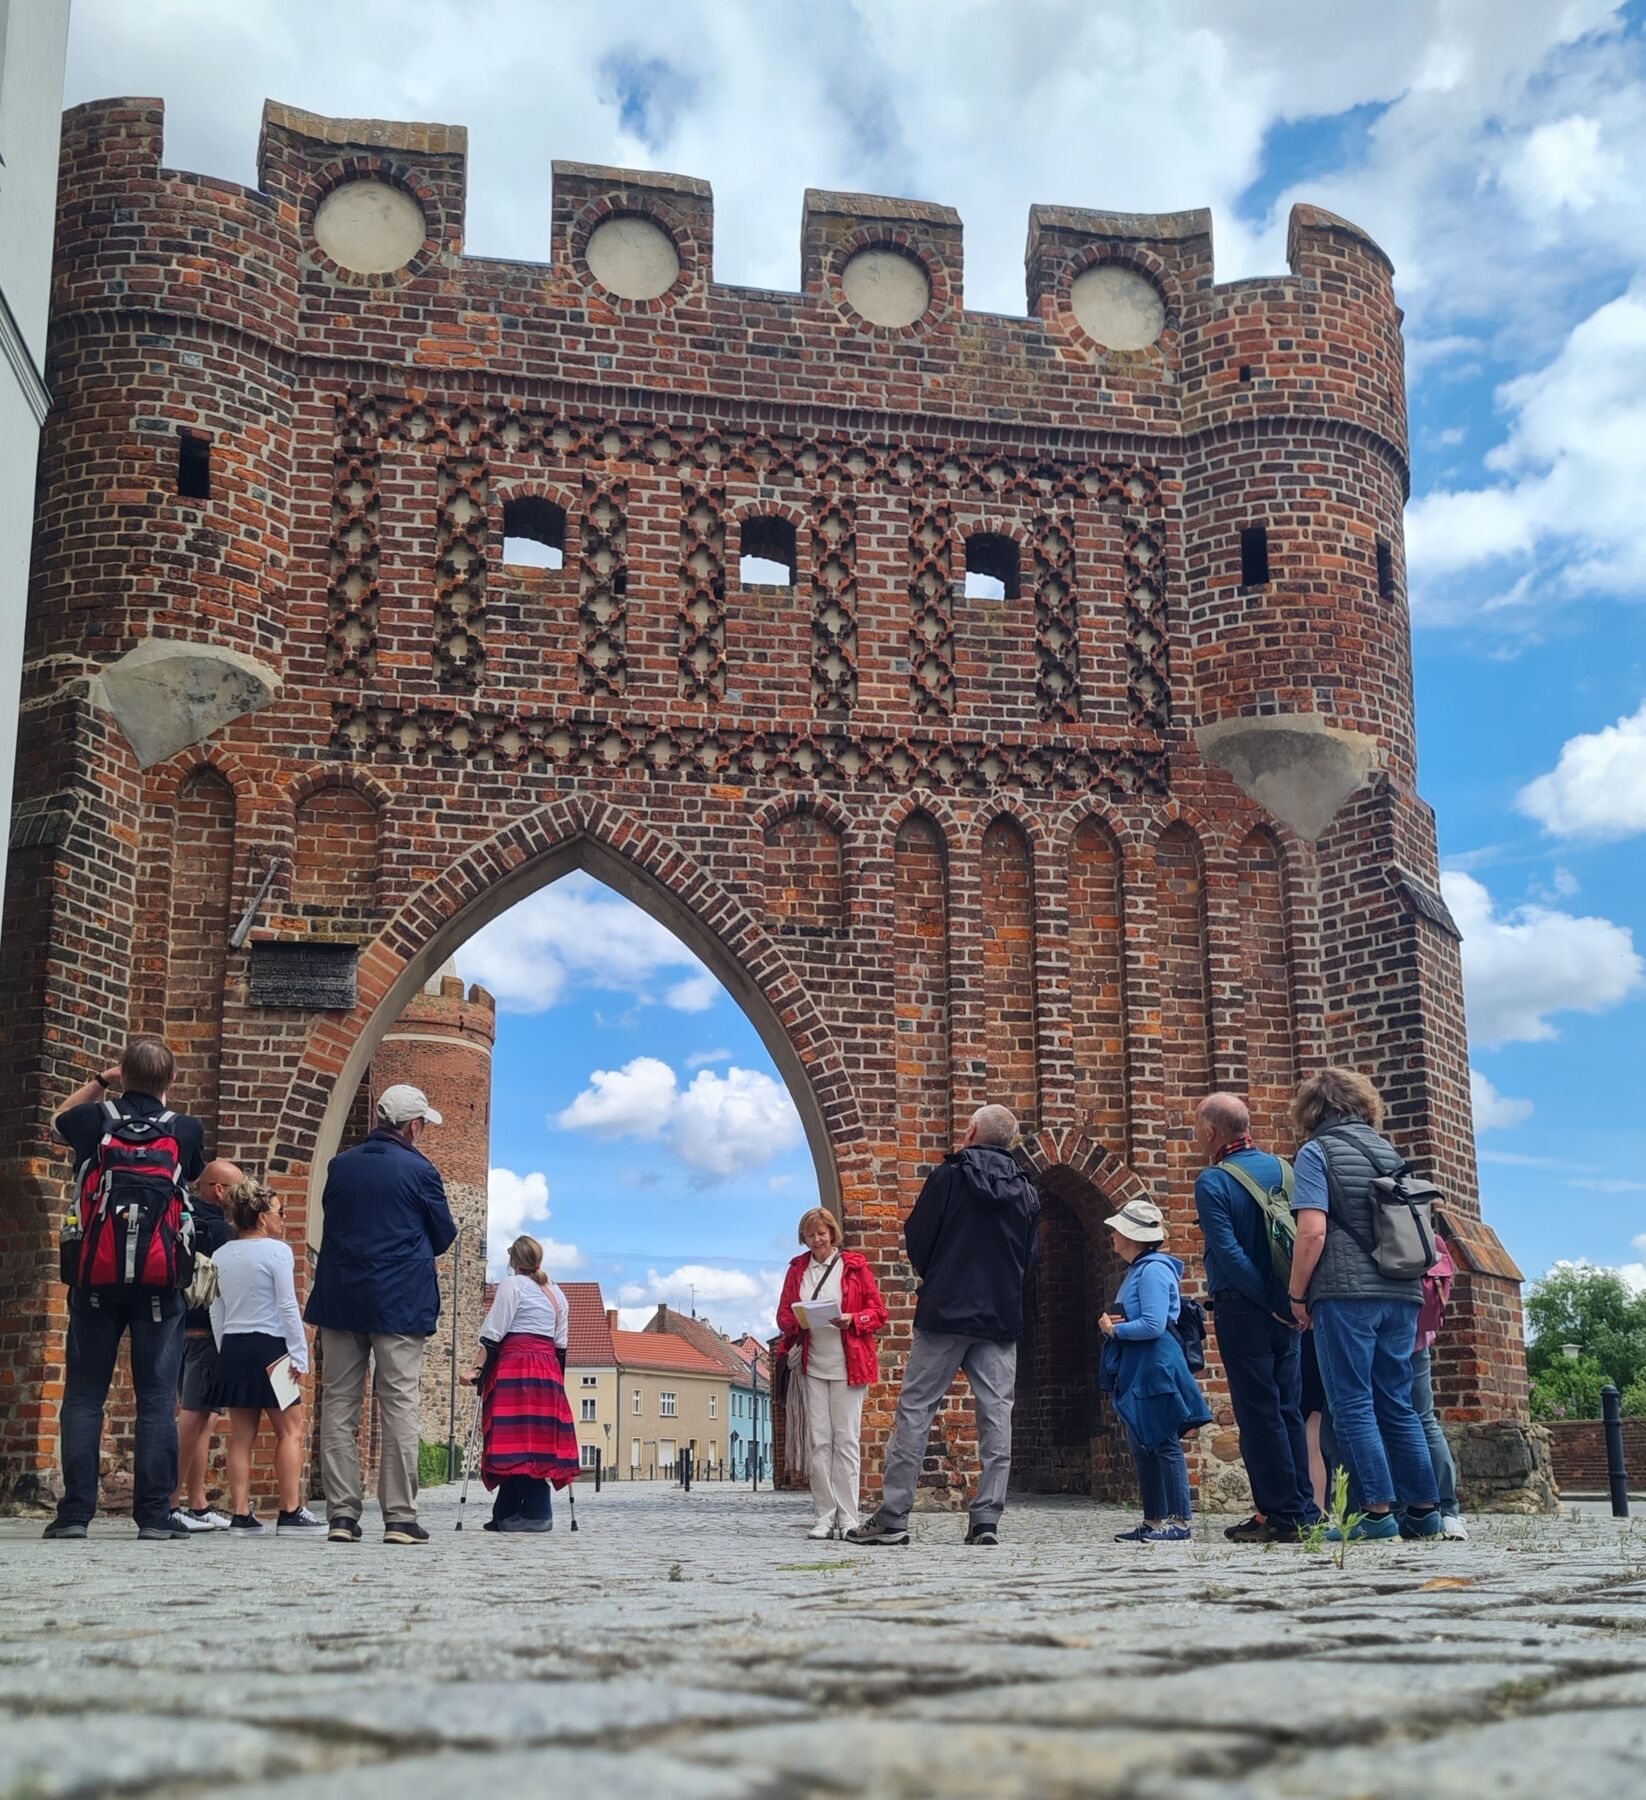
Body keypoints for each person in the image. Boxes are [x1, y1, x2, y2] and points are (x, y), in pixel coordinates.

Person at [848, 1104, 1039, 1548]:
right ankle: (986, 1519)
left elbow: (918, 1237)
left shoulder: (948, 1177)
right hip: (999, 1318)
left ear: (971, 1131)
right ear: (1009, 1141)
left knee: (916, 1410)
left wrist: (938, 1279)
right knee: (997, 1416)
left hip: (945, 1312)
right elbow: (1030, 1259)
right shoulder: (1027, 1191)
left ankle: (893, 1517)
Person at [44, 1039, 206, 1541]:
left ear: (125, 1075)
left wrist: (100, 1081)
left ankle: (74, 1515)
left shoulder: (95, 1123)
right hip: (160, 1284)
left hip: (95, 1278)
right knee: (158, 1399)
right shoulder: (185, 1129)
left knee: (85, 1396)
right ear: (171, 1081)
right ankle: (154, 1518)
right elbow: (190, 1178)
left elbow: (57, 1120)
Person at [1286, 1068, 1442, 1541]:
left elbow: (1312, 1231)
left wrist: (1296, 1294)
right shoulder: (1386, 1151)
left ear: (1312, 1110)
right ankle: (1424, 1510)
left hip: (1345, 1294)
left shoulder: (1316, 1152)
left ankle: (1376, 1515)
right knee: (1397, 1402)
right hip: (1401, 1290)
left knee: (1352, 1402)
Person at [306, 1083, 457, 1546]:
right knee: (399, 1406)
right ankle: (398, 1517)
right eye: (423, 1126)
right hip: (399, 1303)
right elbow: (444, 1235)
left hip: (342, 1297)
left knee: (338, 1406)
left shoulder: (341, 1166)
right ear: (413, 1126)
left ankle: (342, 1516)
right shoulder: (420, 1170)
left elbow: (333, 1220)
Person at [1192, 1094, 1320, 1543]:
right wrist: (1293, 1301)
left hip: (1245, 1307)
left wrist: (1267, 1301)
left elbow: (1228, 1251)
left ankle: (1281, 1515)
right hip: (1292, 1306)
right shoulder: (1287, 1169)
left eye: (1197, 1127)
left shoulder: (1213, 1181)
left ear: (1211, 1131)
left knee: (1258, 1411)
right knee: (1289, 1408)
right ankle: (1302, 1506)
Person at [208, 1180, 322, 1532]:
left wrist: (223, 1347)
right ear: (261, 1218)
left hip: (234, 1346)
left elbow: (216, 1308)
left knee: (241, 1435)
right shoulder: (278, 1252)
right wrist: (299, 1355)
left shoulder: (220, 1254)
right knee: (290, 1430)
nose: (283, 1218)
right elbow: (288, 1305)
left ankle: (241, 1514)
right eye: (279, 1212)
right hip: (271, 1348)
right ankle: (290, 1510)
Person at [1100, 1199, 1212, 1543]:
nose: (1113, 1237)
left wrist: (1114, 1330)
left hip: (1155, 1364)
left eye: (1117, 1231)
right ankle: (1153, 1520)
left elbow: (1153, 1324)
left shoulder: (1153, 1270)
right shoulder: (1138, 1270)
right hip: (1141, 1364)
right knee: (1142, 1442)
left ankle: (1179, 1522)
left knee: (1162, 1440)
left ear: (1132, 1236)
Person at [776, 1206, 889, 1539]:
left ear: (832, 1233)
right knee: (819, 1442)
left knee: (847, 1441)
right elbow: (783, 1316)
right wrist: (801, 1317)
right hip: (814, 1365)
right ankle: (824, 1515)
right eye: (810, 1235)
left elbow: (878, 1313)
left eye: (821, 1233)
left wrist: (854, 1319)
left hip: (848, 1365)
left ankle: (848, 1516)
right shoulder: (798, 1270)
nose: (816, 1240)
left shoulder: (853, 1268)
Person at [462, 1235, 580, 1532]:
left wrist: (476, 1368)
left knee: (513, 1439)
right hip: (548, 1370)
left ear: (513, 1260)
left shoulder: (512, 1285)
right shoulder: (556, 1293)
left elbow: (494, 1332)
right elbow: (561, 1345)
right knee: (536, 1440)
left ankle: (538, 1514)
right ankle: (507, 1511)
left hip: (516, 1367)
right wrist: (558, 1383)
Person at [172, 1158, 242, 1531]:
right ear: (218, 1190)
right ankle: (171, 1501)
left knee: (202, 1420)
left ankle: (196, 1502)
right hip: (207, 1333)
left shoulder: (178, 1214)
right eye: (237, 1188)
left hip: (175, 1328)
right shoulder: (221, 1231)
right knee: (196, 1419)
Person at [1406, 1227, 1467, 1541]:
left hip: (1388, 1329)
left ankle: (1426, 1508)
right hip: (1418, 1334)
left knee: (1396, 1419)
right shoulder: (1413, 1211)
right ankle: (1447, 1511)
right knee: (1423, 1420)